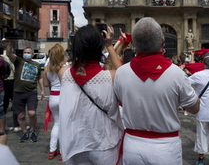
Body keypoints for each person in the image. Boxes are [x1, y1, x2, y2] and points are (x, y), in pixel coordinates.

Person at [114, 17, 200, 165]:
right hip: (165, 148)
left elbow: (121, 102)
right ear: (162, 42)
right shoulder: (177, 74)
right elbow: (194, 108)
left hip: (132, 145)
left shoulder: (120, 73)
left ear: (133, 43)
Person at [58, 24, 124, 164]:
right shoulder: (111, 77)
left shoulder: (63, 73)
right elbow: (125, 74)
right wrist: (110, 46)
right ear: (100, 46)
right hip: (104, 143)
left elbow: (77, 66)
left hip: (75, 142)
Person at [6, 44, 45, 142]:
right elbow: (9, 53)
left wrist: (43, 90)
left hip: (31, 92)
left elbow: (39, 77)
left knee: (32, 113)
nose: (26, 54)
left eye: (28, 53)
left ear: (32, 55)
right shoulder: (19, 61)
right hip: (18, 92)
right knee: (21, 115)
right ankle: (24, 131)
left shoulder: (36, 65)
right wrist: (9, 43)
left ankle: (32, 130)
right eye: (25, 53)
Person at [42, 43, 66, 160]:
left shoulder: (47, 67)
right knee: (64, 125)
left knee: (56, 124)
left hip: (53, 97)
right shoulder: (65, 66)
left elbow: (46, 84)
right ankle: (62, 150)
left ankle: (52, 150)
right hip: (63, 96)